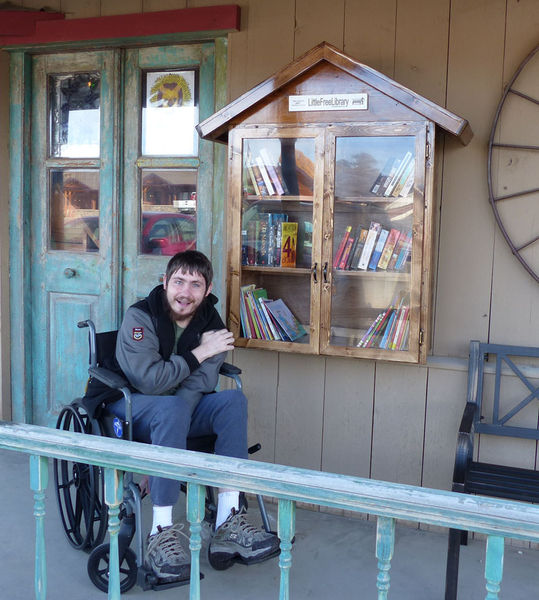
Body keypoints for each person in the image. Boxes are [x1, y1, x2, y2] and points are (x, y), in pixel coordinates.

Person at [107, 250, 279, 580]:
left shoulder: (211, 324)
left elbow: (197, 385)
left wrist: (170, 437)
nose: (185, 293)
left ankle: (228, 519)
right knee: (170, 406)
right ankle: (160, 530)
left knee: (232, 401)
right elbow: (150, 382)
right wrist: (200, 352)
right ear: (165, 282)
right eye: (179, 282)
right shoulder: (140, 318)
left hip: (175, 411)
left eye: (195, 285)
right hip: (130, 406)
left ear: (207, 288)